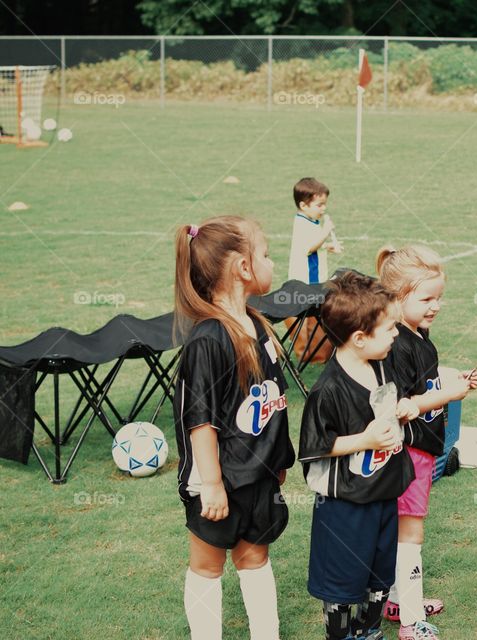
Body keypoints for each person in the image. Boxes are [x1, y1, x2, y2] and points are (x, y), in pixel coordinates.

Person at [173, 215, 296, 640]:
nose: (270, 261)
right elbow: (201, 421)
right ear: (243, 268)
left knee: (255, 559)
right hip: (220, 481)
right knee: (208, 566)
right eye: (265, 253)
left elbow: (272, 404)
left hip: (258, 476)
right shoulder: (209, 337)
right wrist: (211, 484)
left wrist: (278, 460)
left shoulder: (258, 324)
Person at [299, 271, 420, 640]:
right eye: (388, 329)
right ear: (359, 338)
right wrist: (365, 439)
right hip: (345, 506)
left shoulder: (380, 363)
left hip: (383, 495)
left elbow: (386, 403)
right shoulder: (328, 389)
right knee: (341, 584)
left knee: (379, 575)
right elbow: (317, 447)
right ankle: (339, 636)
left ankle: (369, 631)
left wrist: (402, 408)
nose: (396, 334)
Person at [376, 244, 477, 640]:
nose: (436, 305)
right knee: (410, 533)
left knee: (401, 529)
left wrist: (450, 381)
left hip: (421, 451)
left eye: (439, 297)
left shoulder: (417, 334)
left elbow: (425, 383)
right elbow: (404, 405)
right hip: (409, 454)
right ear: (398, 297)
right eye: (426, 298)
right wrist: (449, 395)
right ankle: (410, 620)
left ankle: (398, 599)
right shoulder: (397, 344)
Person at [286, 177, 344, 363]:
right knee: (307, 315)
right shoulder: (301, 223)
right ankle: (307, 353)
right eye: (319, 205)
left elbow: (313, 246)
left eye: (324, 204)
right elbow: (308, 247)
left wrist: (327, 246)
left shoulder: (310, 221)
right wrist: (326, 231)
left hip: (314, 278)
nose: (323, 209)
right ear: (304, 205)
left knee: (317, 314)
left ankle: (318, 353)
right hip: (305, 280)